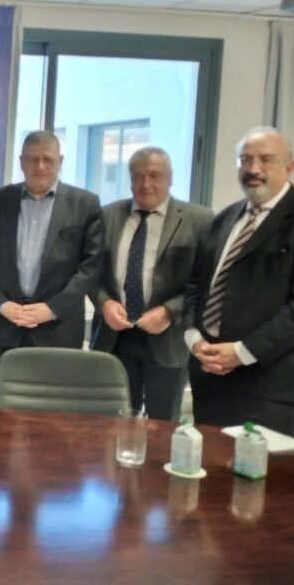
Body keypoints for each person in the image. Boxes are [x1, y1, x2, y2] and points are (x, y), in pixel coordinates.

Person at [185, 127, 294, 437]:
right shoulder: (225, 218)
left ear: (289, 167)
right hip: (210, 378)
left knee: (265, 470)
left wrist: (243, 352)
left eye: (265, 160)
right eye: (245, 160)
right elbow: (195, 286)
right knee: (208, 466)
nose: (253, 169)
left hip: (270, 387)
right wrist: (194, 338)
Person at [0, 130, 104, 408]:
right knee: (0, 412)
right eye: (33, 159)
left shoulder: (86, 204)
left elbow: (90, 268)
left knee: (53, 413)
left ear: (60, 161)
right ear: (21, 161)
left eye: (48, 159)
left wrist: (52, 308)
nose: (40, 166)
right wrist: (1, 304)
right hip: (6, 325)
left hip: (58, 329)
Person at [90, 147, 213, 421]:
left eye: (155, 176)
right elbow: (90, 272)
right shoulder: (107, 216)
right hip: (115, 338)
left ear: (170, 178)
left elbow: (206, 281)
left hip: (169, 338)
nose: (145, 184)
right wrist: (104, 302)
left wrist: (170, 310)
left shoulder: (199, 220)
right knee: (114, 423)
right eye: (137, 176)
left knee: (163, 426)